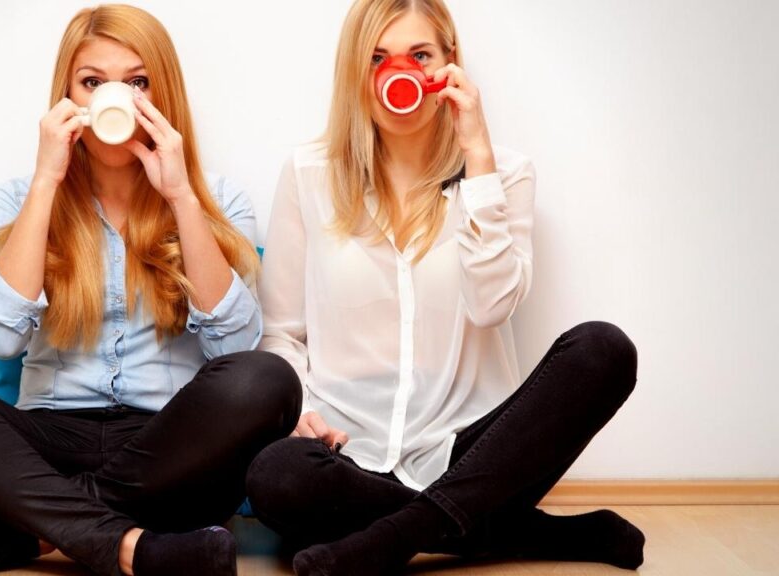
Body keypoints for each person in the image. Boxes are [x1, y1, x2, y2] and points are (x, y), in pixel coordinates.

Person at [0, 5, 301, 575]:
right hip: (47, 440)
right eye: (93, 83)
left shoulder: (215, 200)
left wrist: (181, 199)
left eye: (136, 82)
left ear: (160, 93)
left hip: (170, 450)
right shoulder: (14, 200)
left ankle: (31, 533)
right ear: (68, 97)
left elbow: (236, 351)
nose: (112, 99)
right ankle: (130, 546)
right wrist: (47, 180)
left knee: (268, 380)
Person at [246, 0, 644, 574]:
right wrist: (303, 410)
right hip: (347, 448)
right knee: (275, 478)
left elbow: (491, 306)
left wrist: (477, 155)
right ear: (356, 70)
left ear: (448, 65)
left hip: (476, 454)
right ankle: (524, 534)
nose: (397, 72)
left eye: (419, 55)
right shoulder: (309, 173)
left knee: (604, 350)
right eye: (378, 57)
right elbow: (282, 332)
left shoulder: (504, 172)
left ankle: (388, 540)